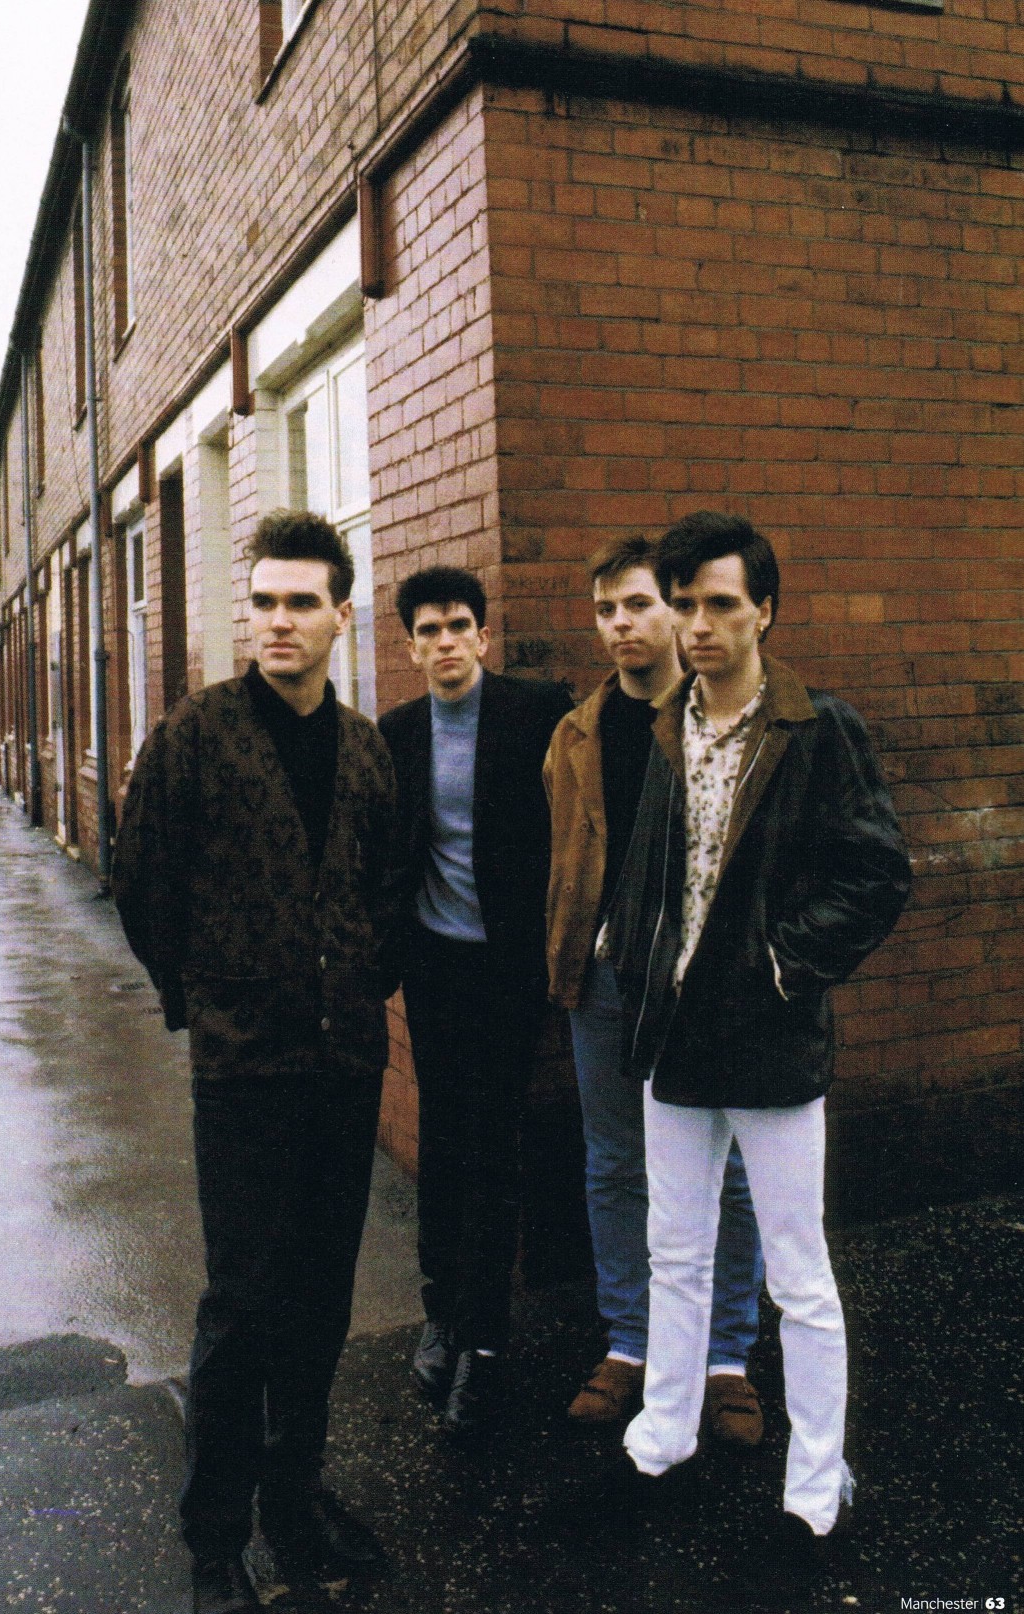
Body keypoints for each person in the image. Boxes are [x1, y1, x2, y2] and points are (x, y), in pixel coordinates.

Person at [606, 512, 911, 1565]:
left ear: (764, 611)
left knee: (797, 1274)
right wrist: (634, 958)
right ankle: (662, 1439)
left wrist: (782, 965)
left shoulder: (818, 729)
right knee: (675, 1253)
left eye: (720, 604)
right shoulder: (667, 724)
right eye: (684, 603)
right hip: (674, 1037)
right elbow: (653, 873)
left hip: (771, 1037)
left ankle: (817, 1487)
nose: (697, 624)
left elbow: (877, 874)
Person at [112, 511, 397, 1614]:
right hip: (244, 1068)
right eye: (264, 601)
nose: (278, 621)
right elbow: (142, 880)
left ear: (339, 614)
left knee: (321, 1296)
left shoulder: (364, 748)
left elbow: (382, 886)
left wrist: (360, 979)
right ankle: (214, 1538)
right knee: (242, 1302)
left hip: (344, 1060)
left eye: (300, 602)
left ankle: (296, 1500)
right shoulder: (197, 735)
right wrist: (206, 996)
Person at [544, 536, 765, 1445]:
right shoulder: (577, 733)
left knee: (730, 1170)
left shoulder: (719, 719)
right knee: (614, 1163)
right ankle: (630, 1342)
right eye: (605, 610)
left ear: (674, 611)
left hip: (705, 984)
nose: (621, 625)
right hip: (605, 979)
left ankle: (724, 1358)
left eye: (638, 604)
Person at [379, 566, 571, 1439]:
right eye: (429, 630)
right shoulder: (398, 733)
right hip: (433, 968)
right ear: (410, 647)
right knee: (443, 1142)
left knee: (493, 1146)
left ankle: (485, 1342)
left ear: (483, 636)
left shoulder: (537, 714)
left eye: (459, 625)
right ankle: (443, 1314)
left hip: (508, 971)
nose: (446, 641)